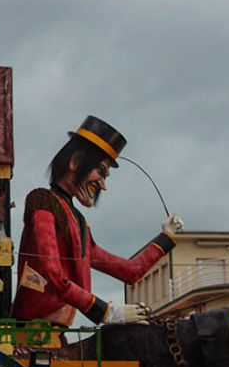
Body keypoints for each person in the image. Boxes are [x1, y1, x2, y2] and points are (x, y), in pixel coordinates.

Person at [10, 115, 179, 328]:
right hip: (32, 331)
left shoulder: (79, 223)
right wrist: (104, 311)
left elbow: (130, 271)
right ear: (76, 162)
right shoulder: (43, 201)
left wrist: (166, 238)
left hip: (56, 333)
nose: (103, 186)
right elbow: (50, 273)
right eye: (100, 171)